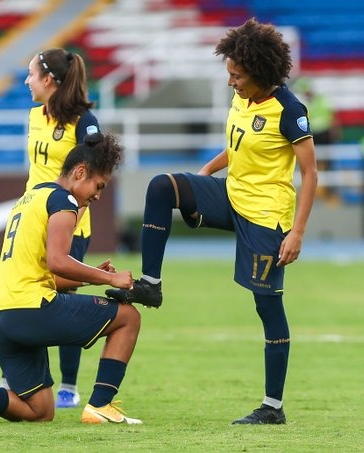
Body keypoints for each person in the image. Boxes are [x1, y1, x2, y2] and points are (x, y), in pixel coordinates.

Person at [107, 18, 318, 425]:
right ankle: (150, 284)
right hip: (230, 196)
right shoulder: (243, 99)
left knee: (267, 307)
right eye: (229, 74)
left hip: (265, 217)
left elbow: (310, 172)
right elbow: (236, 147)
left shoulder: (289, 111)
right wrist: (205, 173)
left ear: (259, 72)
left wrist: (297, 232)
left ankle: (272, 407)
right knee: (163, 187)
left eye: (236, 75)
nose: (230, 82)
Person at [0, 132, 144, 425]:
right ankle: (100, 406)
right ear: (80, 172)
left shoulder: (28, 199)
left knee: (40, 411)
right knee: (128, 318)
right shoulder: (64, 201)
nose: (97, 195)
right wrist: (109, 279)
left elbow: (44, 273)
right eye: (99, 185)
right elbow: (58, 262)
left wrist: (91, 277)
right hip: (30, 310)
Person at [0, 47, 101, 408]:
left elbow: (95, 161)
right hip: (31, 221)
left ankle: (69, 387)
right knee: (26, 295)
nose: (26, 80)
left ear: (49, 81)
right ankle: (20, 376)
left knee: (65, 301)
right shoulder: (33, 116)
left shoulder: (83, 121)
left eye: (31, 74)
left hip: (67, 223)